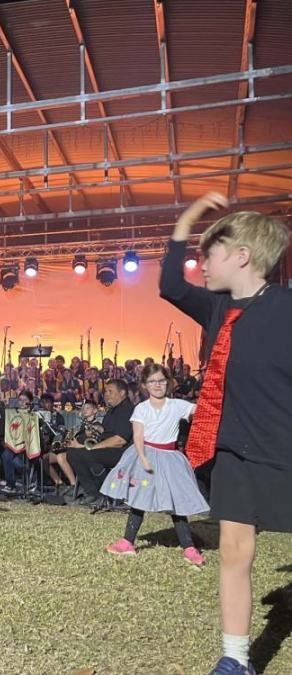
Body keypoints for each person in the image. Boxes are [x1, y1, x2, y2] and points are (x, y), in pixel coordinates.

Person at [160, 192, 291, 675]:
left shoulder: (287, 308)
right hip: (235, 451)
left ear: (242, 256)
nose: (202, 265)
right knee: (234, 552)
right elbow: (170, 284)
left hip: (285, 448)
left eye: (209, 254)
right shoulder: (216, 308)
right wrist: (189, 218)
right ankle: (235, 658)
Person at [101, 364, 208, 565]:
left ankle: (189, 548)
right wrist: (143, 458)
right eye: (152, 382)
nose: (157, 385)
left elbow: (205, 410)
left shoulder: (178, 405)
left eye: (161, 381)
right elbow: (138, 435)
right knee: (139, 499)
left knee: (176, 503)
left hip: (170, 459)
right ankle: (128, 542)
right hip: (146, 455)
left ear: (168, 382)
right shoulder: (141, 409)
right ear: (144, 385)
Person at [64, 380, 134, 505]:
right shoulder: (112, 411)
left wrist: (93, 447)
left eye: (110, 391)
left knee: (84, 454)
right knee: (73, 454)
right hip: (106, 447)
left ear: (122, 393)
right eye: (106, 391)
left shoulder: (128, 410)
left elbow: (120, 440)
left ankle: (107, 493)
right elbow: (104, 433)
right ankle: (93, 493)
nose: (106, 394)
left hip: (120, 451)